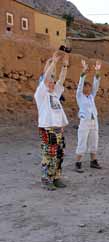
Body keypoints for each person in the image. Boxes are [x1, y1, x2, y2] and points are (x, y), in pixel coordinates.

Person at [34, 51, 69, 190]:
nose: (52, 84)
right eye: (49, 82)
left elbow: (61, 80)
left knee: (59, 154)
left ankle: (56, 177)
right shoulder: (41, 94)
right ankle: (46, 178)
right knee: (49, 154)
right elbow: (46, 78)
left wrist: (65, 66)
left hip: (58, 128)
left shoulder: (55, 94)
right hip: (47, 128)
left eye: (52, 82)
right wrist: (53, 63)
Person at [74, 59, 103, 173]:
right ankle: (78, 162)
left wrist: (97, 71)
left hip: (94, 121)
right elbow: (80, 83)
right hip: (84, 121)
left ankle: (93, 161)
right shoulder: (79, 96)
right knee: (82, 141)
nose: (89, 89)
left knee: (94, 140)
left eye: (90, 87)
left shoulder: (91, 96)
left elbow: (96, 83)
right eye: (87, 87)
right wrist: (84, 72)